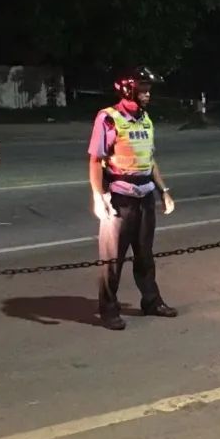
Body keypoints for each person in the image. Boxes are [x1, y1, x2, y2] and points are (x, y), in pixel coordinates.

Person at [88, 67, 178, 330]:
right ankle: (108, 309)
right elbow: (95, 160)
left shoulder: (146, 119)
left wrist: (163, 190)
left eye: (148, 90)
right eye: (144, 89)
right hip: (119, 198)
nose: (148, 94)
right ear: (128, 89)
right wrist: (97, 196)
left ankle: (151, 301)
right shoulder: (108, 118)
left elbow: (150, 160)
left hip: (145, 196)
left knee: (145, 255)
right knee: (112, 259)